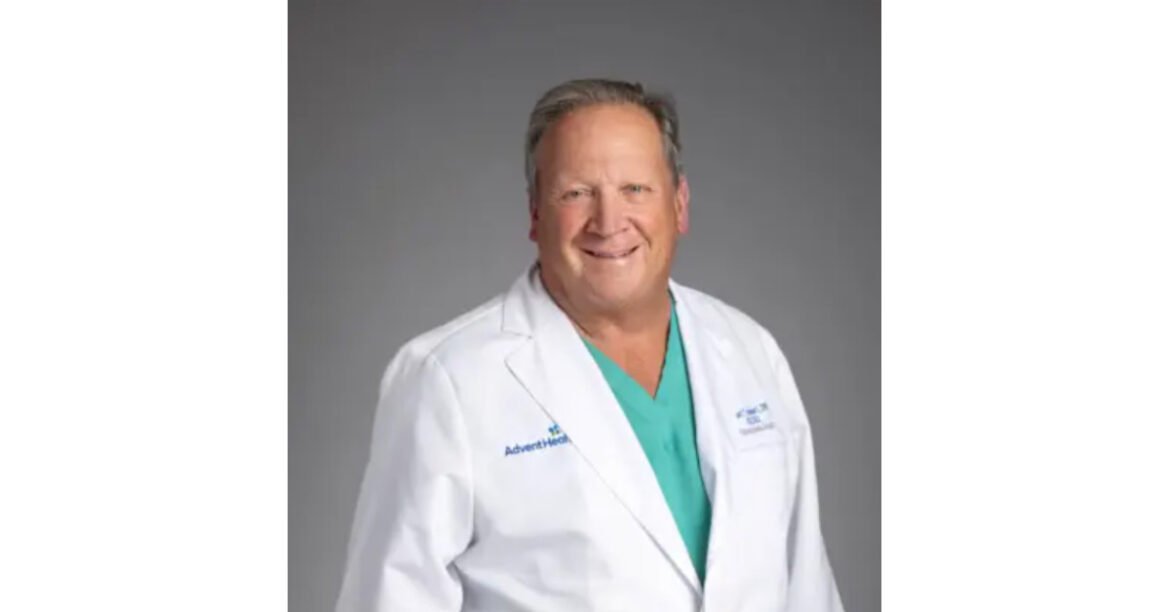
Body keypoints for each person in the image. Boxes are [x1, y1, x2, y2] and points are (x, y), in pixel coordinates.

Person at [335, 78, 845, 611]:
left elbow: (808, 585)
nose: (608, 222)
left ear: (679, 205)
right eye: (576, 193)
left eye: (636, 189)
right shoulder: (447, 379)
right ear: (535, 213)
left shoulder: (749, 349)